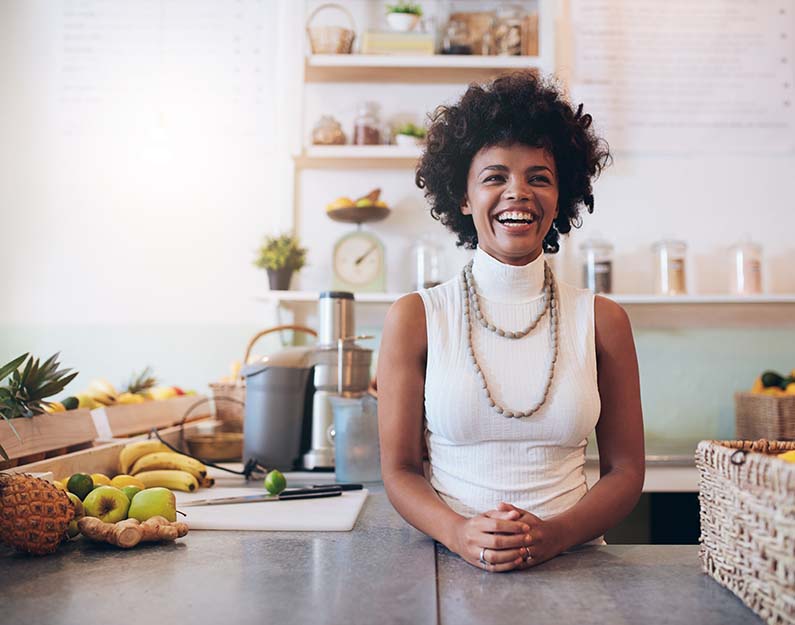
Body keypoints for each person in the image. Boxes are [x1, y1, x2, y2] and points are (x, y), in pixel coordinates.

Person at [377, 72, 645, 573]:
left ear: (561, 195)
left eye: (538, 177)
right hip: (449, 568)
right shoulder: (417, 318)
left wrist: (556, 535)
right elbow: (399, 470)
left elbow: (626, 472)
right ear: (463, 197)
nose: (517, 192)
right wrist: (459, 533)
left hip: (576, 568)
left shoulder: (603, 320)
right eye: (494, 176)